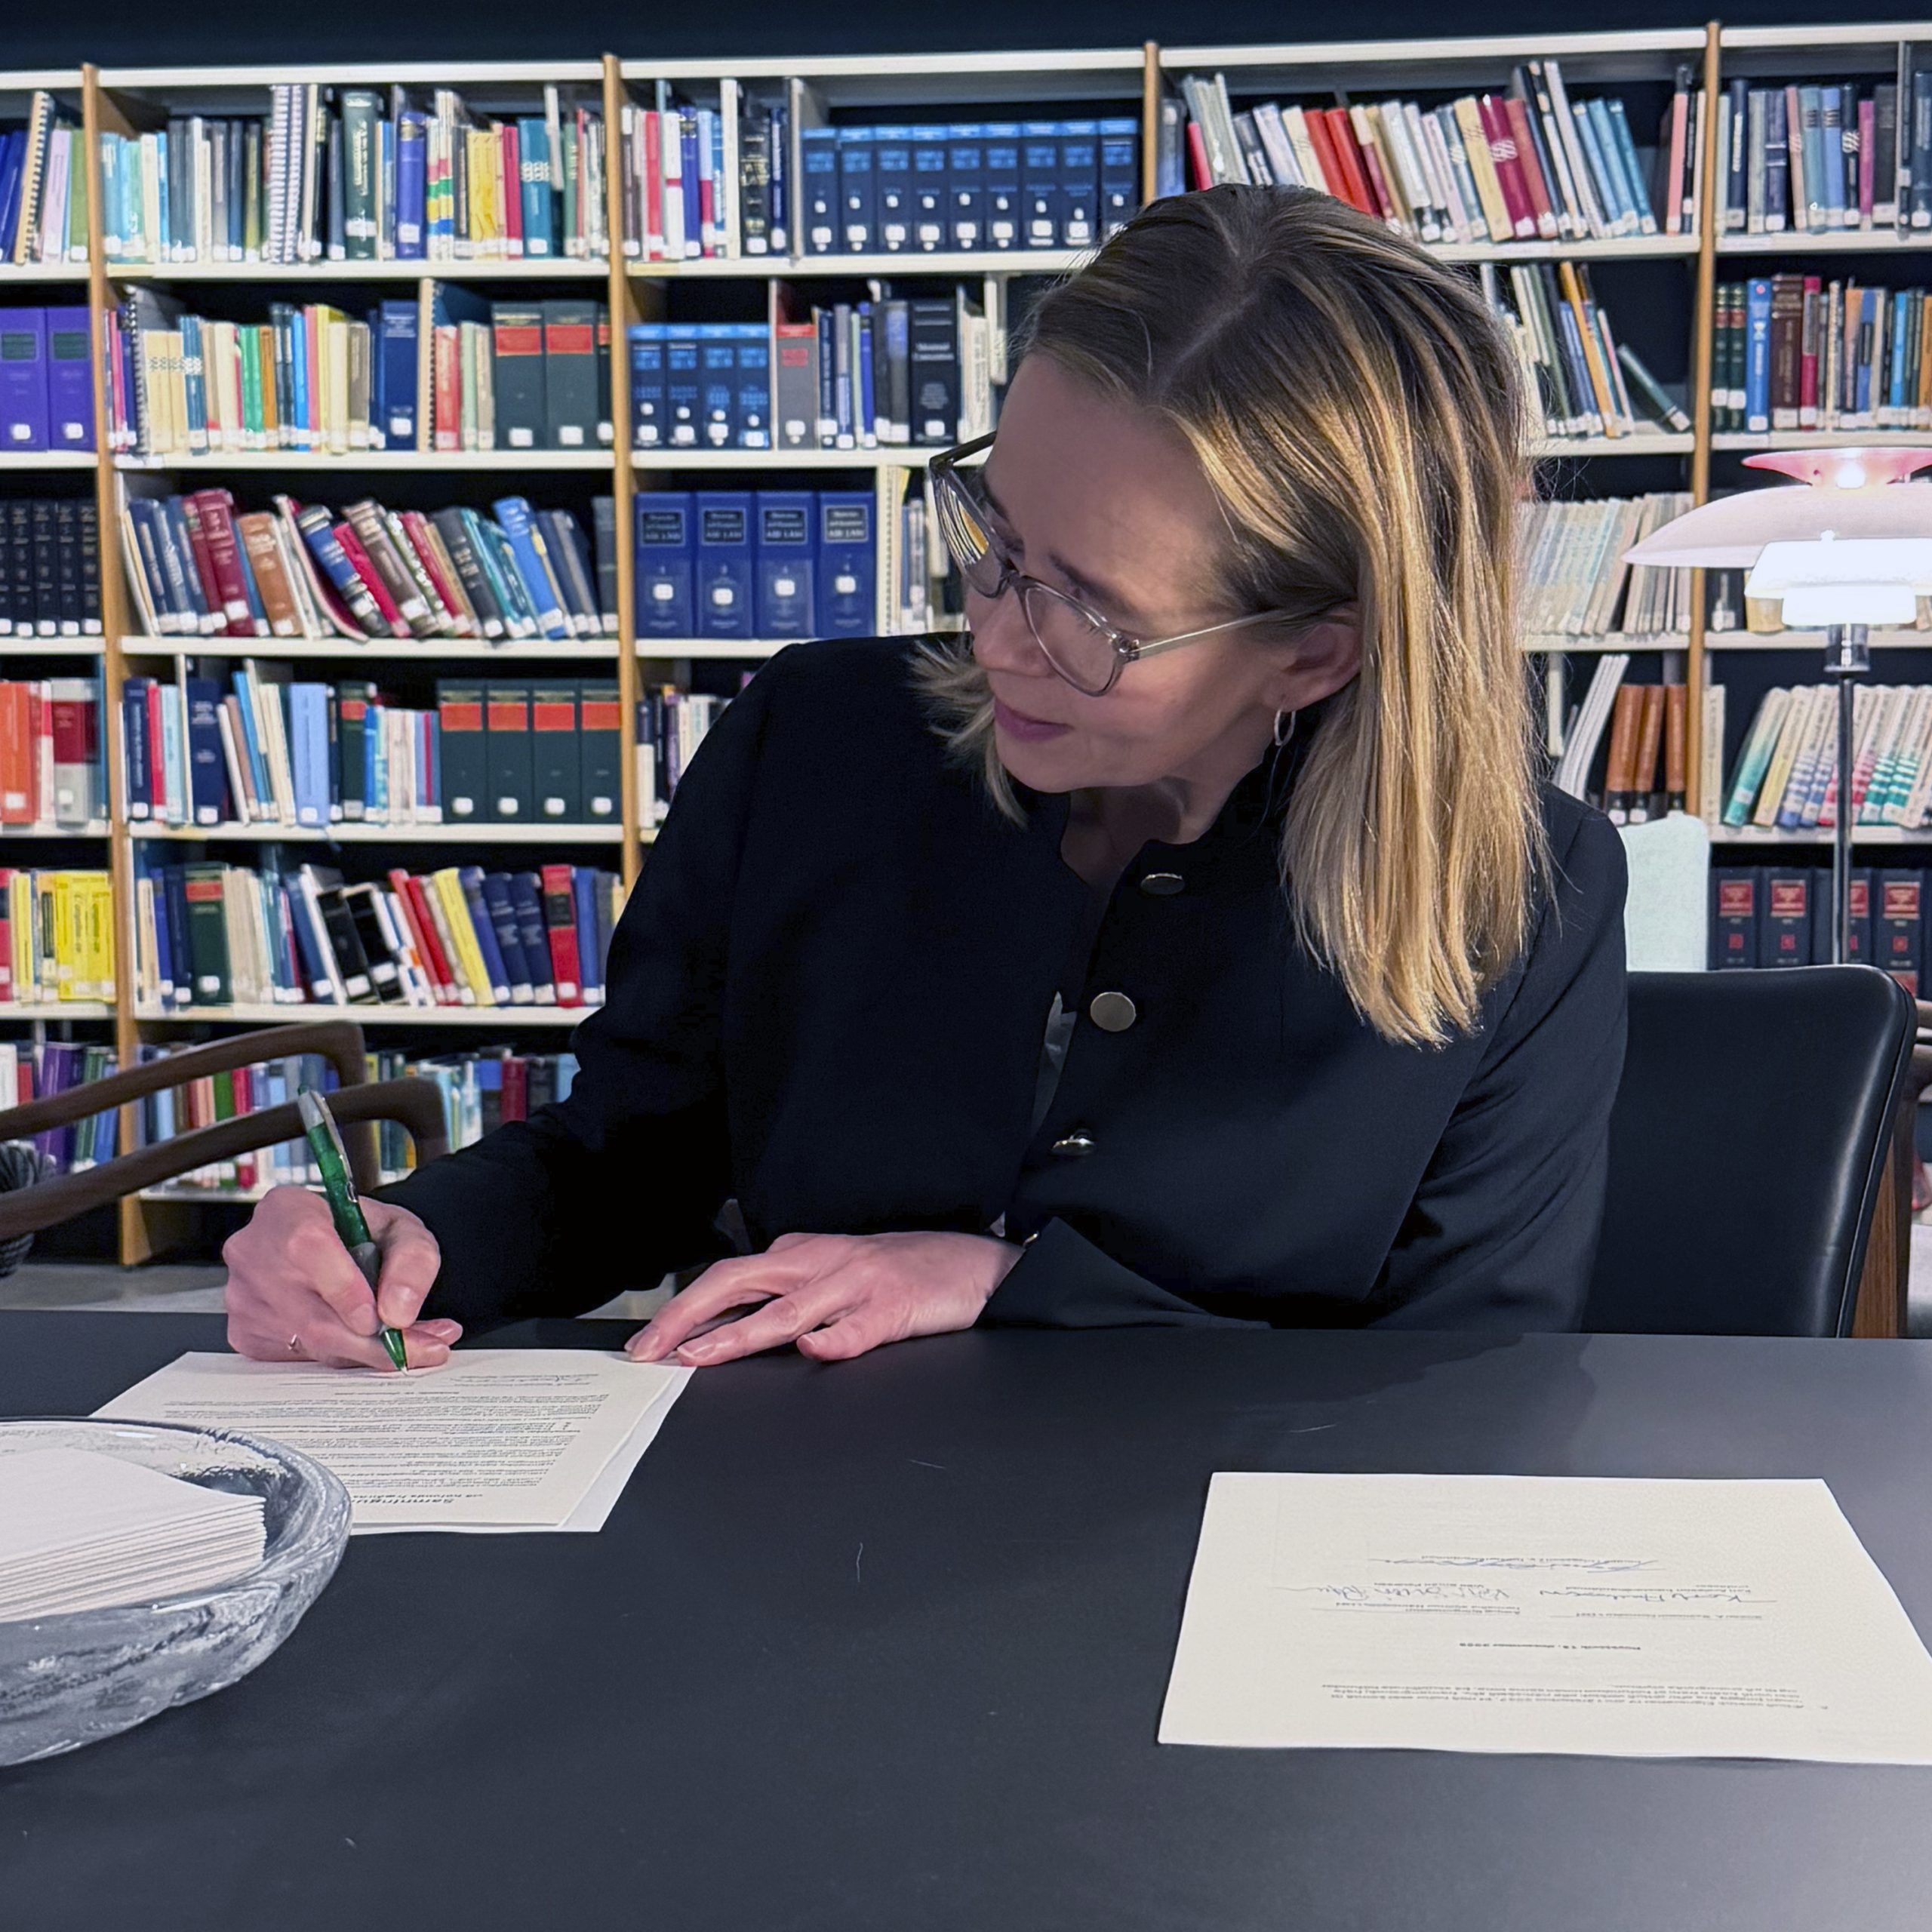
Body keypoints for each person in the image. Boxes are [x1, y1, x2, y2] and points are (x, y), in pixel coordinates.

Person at [223, 183, 1627, 1374]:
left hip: (1223, 1559)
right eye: (995, 538)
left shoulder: (1525, 896)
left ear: (1315, 653)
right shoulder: (815, 734)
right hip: (792, 1538)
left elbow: (1467, 1376)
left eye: (1090, 610)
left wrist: (1015, 1286)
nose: (995, 636)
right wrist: (413, 1239)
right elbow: (631, 1157)